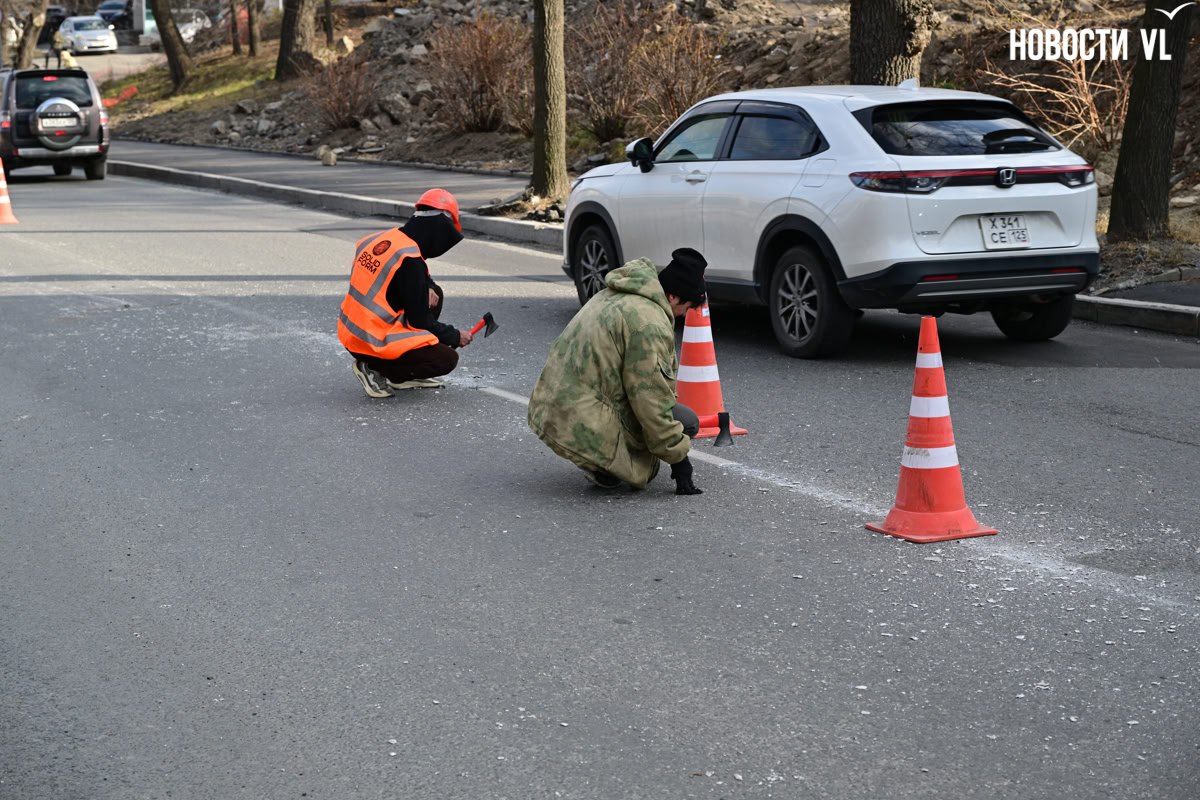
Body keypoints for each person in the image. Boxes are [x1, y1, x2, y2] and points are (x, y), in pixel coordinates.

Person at [528, 248, 708, 496]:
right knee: (685, 423)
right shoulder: (648, 323)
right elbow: (651, 400)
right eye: (686, 307)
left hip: (551, 406)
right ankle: (603, 463)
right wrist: (679, 460)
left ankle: (600, 456)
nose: (683, 315)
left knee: (661, 425)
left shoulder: (614, 293)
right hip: (580, 416)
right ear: (674, 297)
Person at [337, 188, 474, 398]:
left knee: (435, 293)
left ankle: (401, 369)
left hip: (351, 331)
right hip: (371, 341)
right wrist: (456, 336)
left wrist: (427, 284)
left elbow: (402, 273)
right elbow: (421, 321)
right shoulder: (411, 262)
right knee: (446, 359)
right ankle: (375, 369)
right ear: (438, 229)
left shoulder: (381, 239)